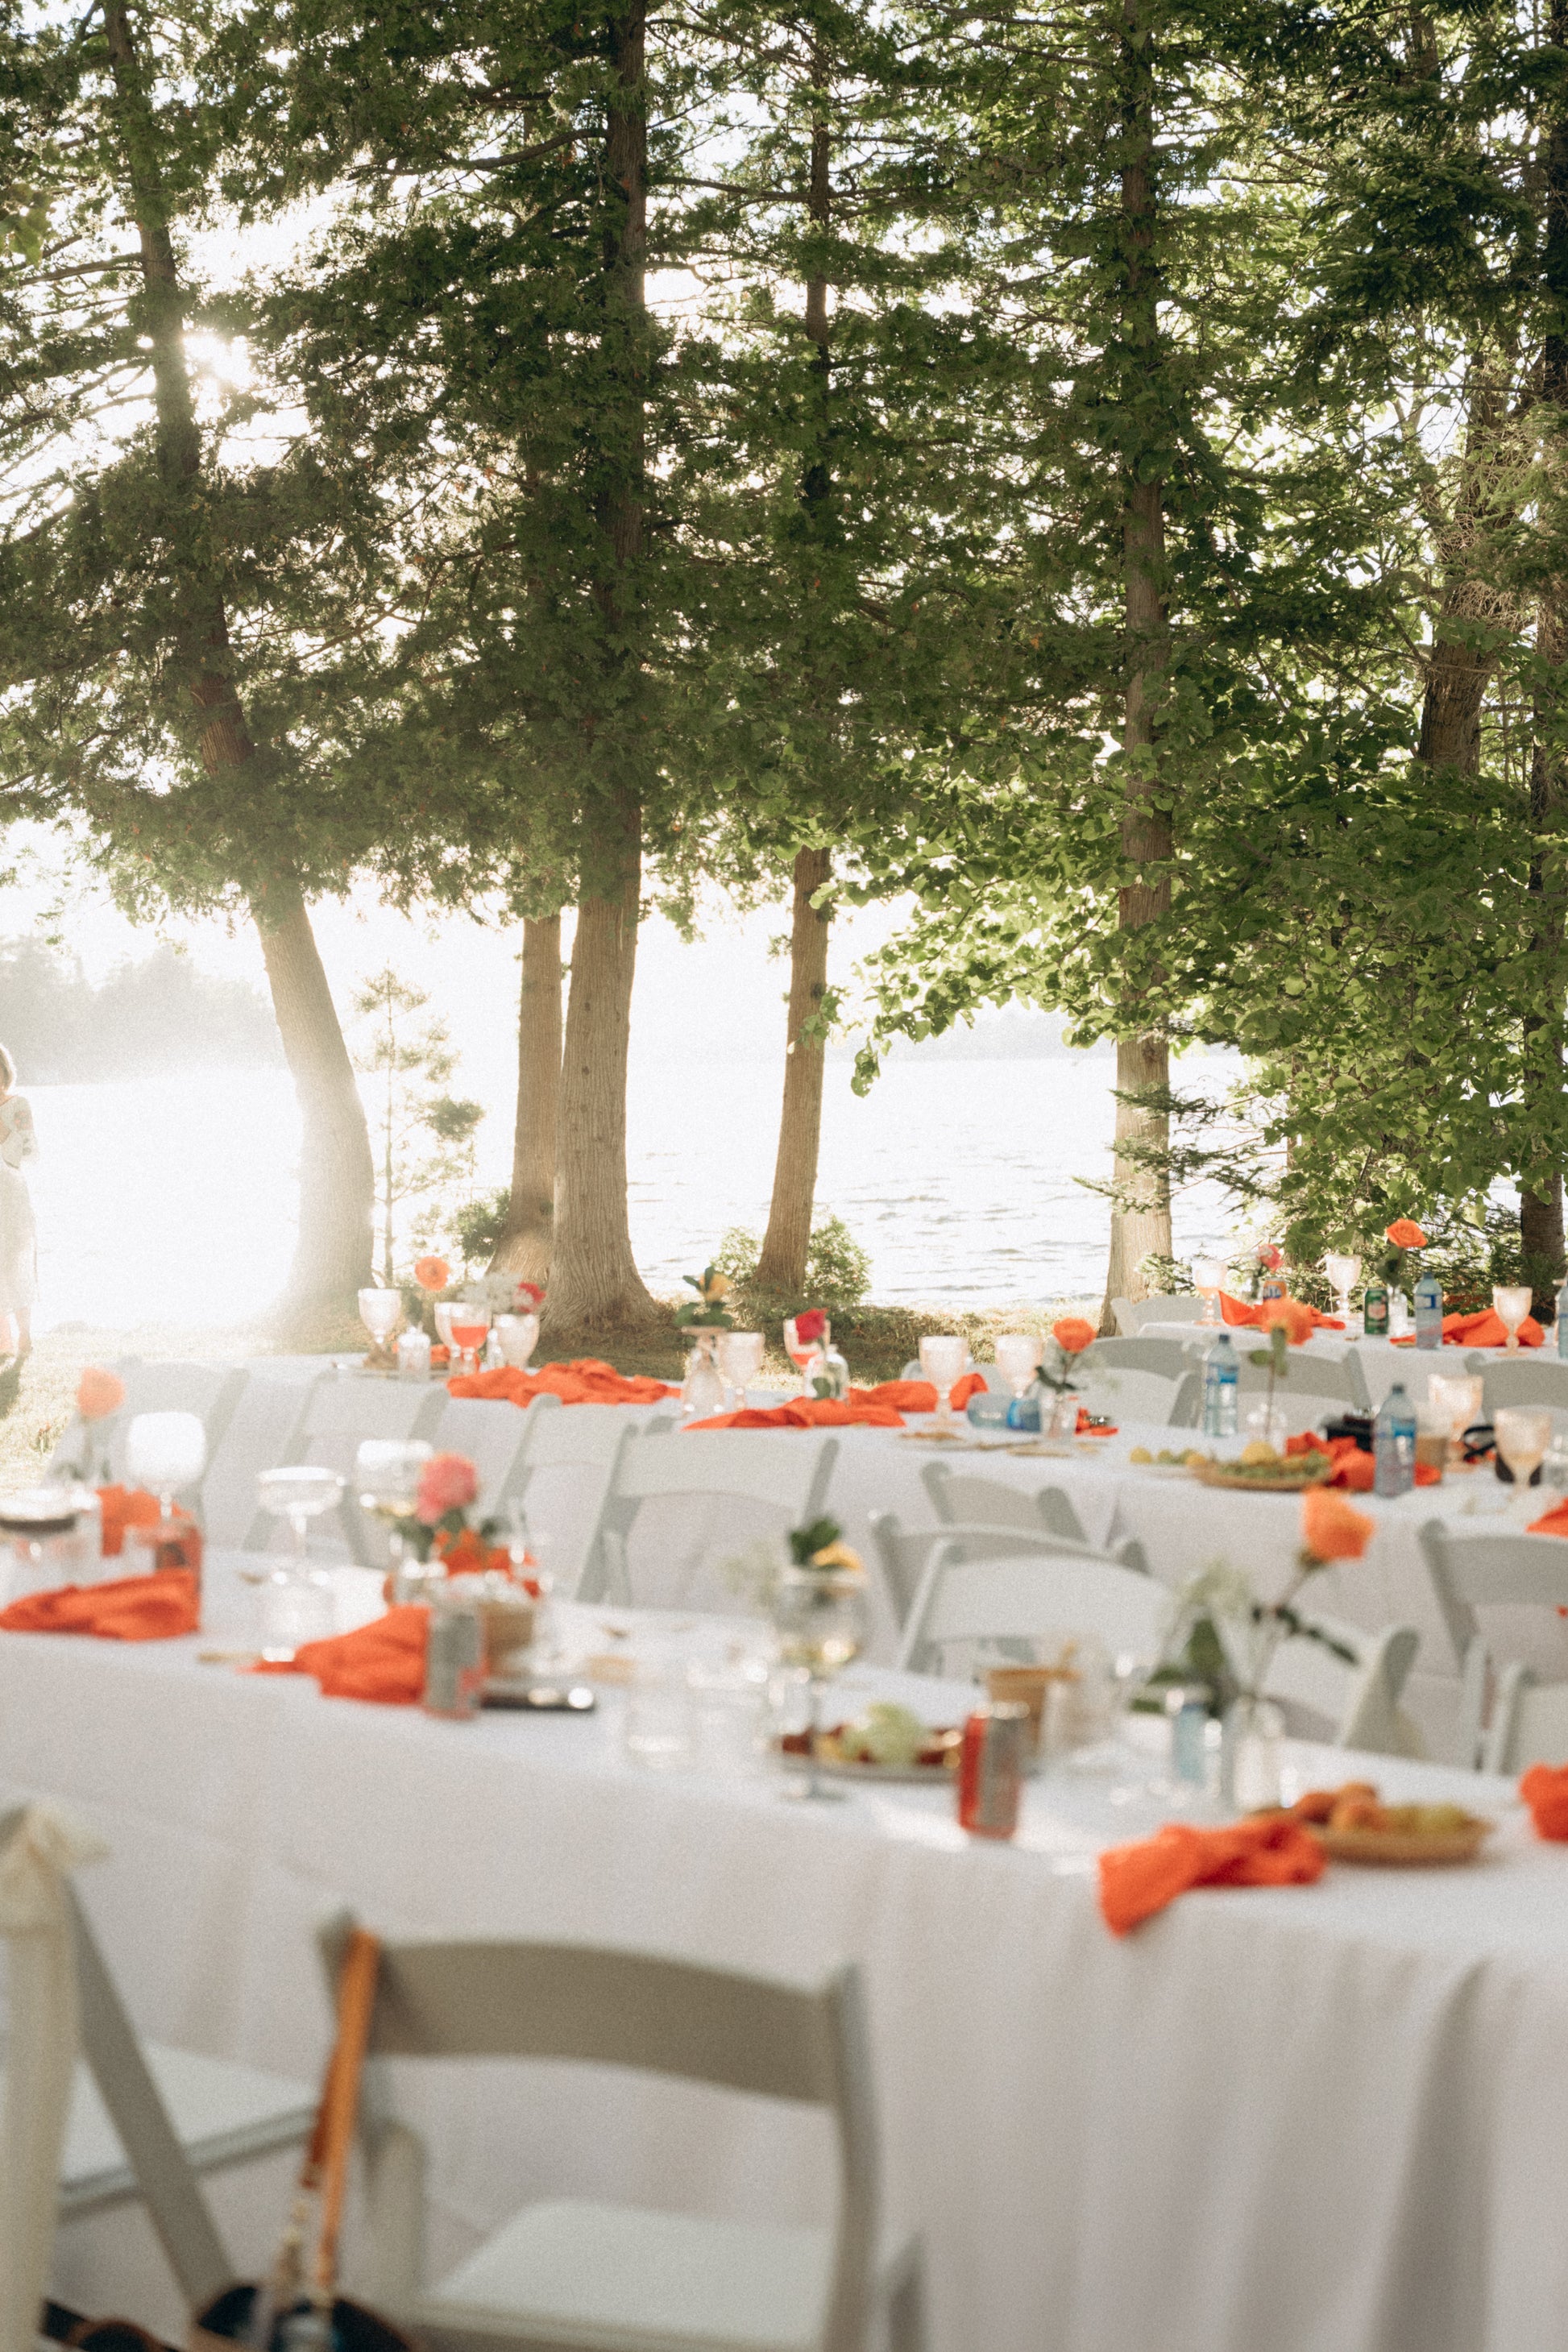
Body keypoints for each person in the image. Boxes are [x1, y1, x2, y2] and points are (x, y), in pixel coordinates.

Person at [0, 1043, 38, 1359]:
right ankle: (3, 1339)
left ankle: (24, 1333)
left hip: (11, 1192)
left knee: (16, 1259)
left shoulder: (19, 1105)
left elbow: (30, 1151)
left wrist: (4, 1132)